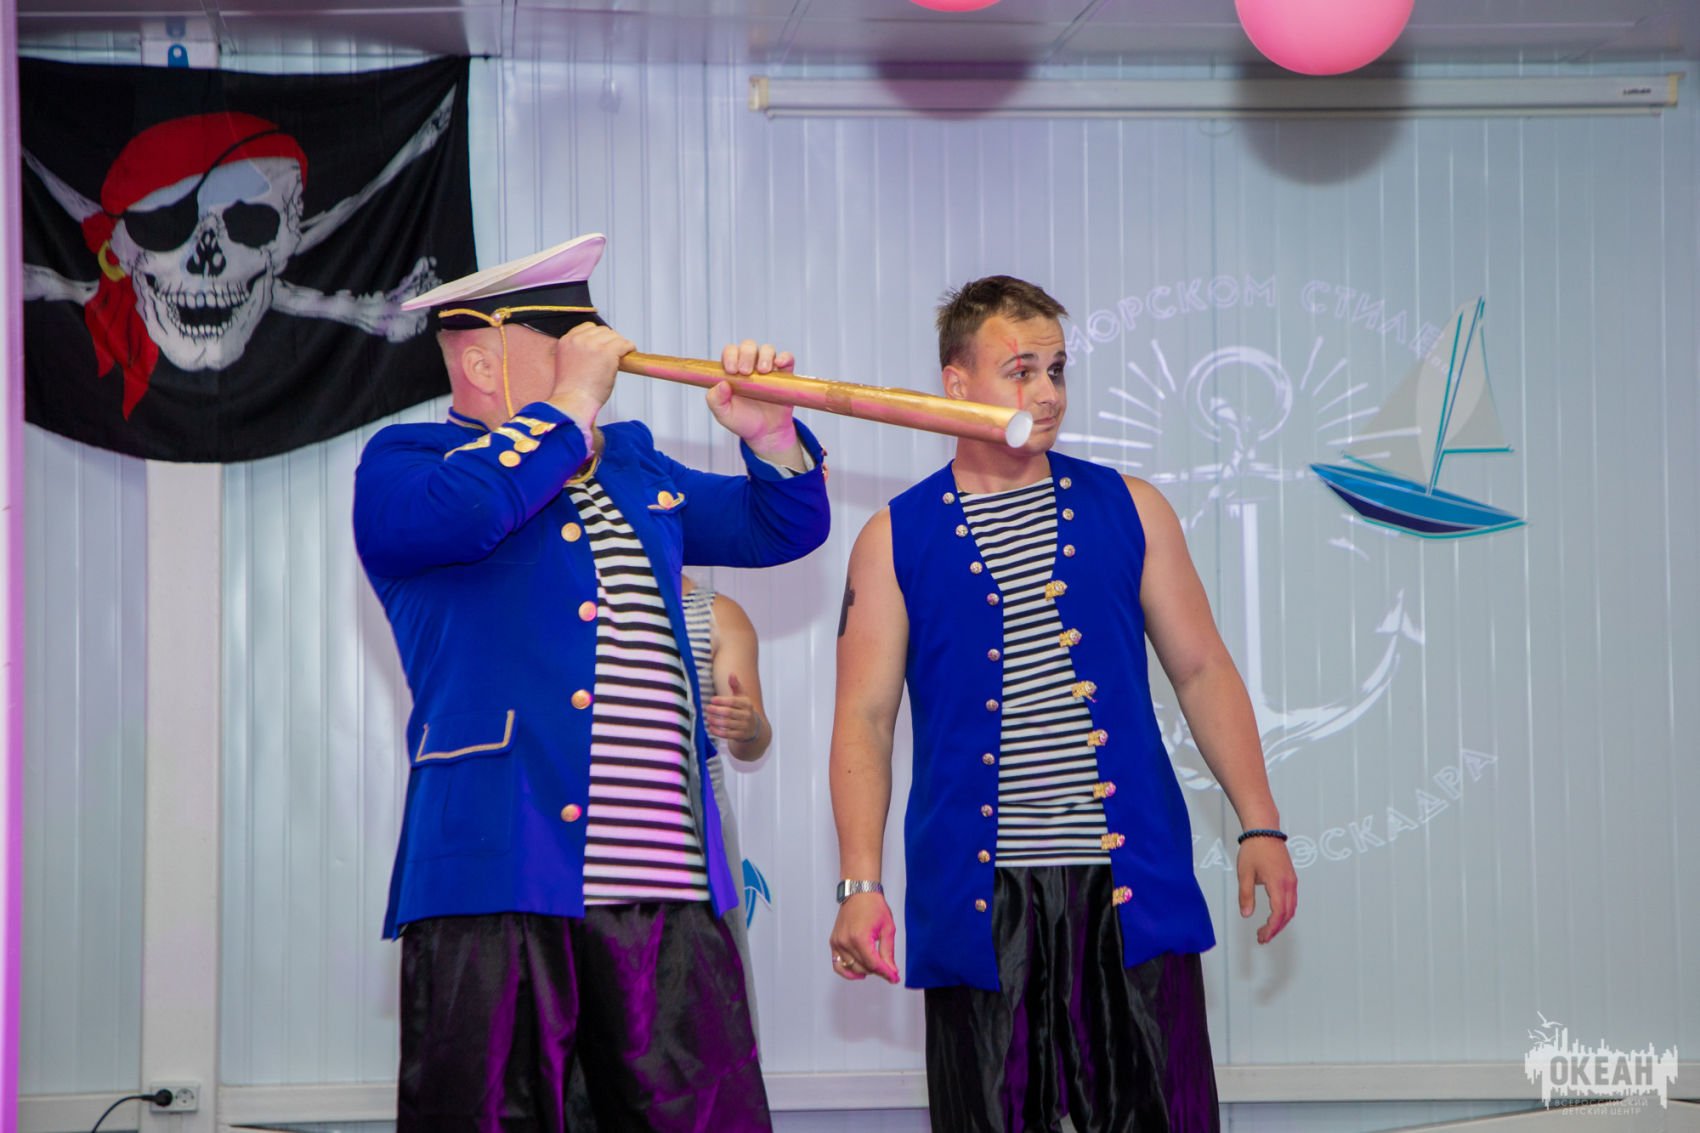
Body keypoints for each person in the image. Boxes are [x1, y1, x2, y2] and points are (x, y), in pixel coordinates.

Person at [353, 232, 829, 1132]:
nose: (602, 365)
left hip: (669, 889)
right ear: (484, 361)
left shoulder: (636, 466)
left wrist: (771, 434)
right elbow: (469, 512)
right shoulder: (409, 465)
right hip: (497, 882)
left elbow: (778, 528)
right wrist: (569, 402)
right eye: (572, 348)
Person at [826, 275, 1297, 1132]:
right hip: (981, 905)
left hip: (1129, 888)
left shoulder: (1133, 508)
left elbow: (1202, 669)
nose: (1046, 393)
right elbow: (865, 717)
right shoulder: (892, 537)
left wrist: (1260, 823)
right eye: (1021, 371)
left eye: (1057, 369)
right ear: (957, 381)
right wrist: (860, 882)